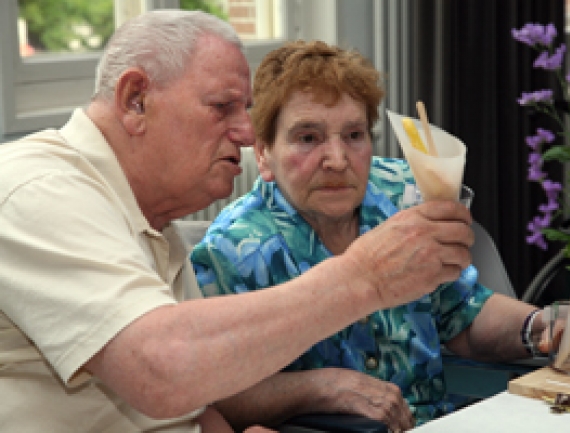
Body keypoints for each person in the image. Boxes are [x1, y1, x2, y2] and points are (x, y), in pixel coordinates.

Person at [0, 11, 479, 433]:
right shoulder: (38, 188)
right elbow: (160, 371)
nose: (248, 133)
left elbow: (191, 406)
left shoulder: (153, 225)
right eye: (223, 107)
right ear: (136, 99)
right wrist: (366, 277)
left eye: (246, 110)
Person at [190, 40, 570, 431]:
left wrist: (543, 326)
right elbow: (215, 398)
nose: (337, 159)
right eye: (308, 137)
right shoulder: (233, 249)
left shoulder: (402, 192)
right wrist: (319, 388)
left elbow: (463, 314)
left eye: (354, 135)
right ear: (263, 154)